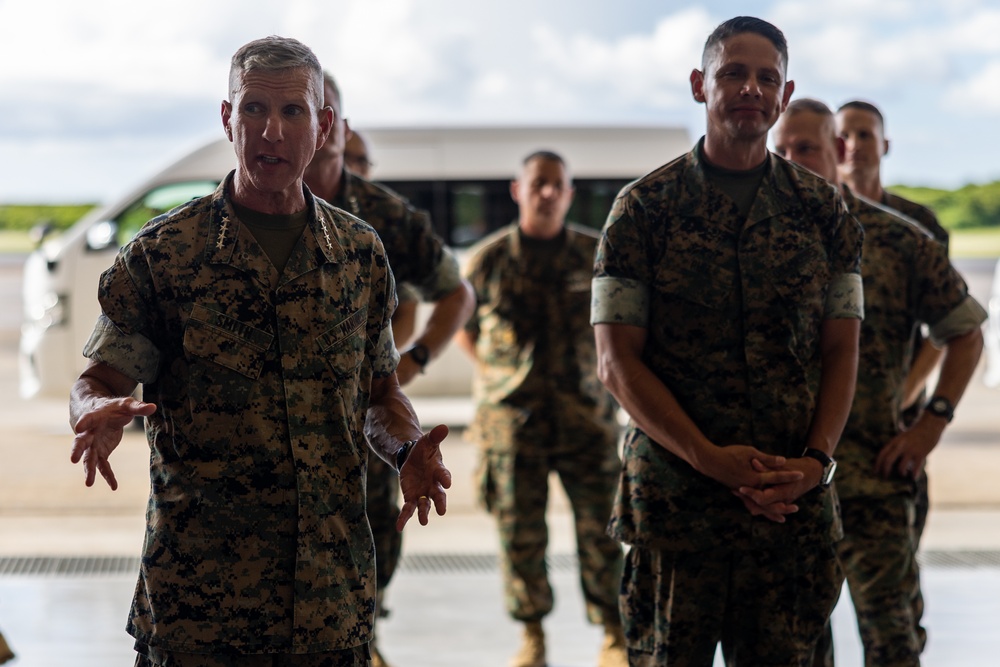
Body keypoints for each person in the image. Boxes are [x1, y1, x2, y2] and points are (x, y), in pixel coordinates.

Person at [68, 36, 452, 667]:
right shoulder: (165, 254)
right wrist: (94, 409)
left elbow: (381, 393)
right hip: (200, 609)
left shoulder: (359, 254)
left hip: (329, 605)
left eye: (293, 112)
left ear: (323, 125)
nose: (271, 130)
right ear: (227, 119)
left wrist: (406, 449)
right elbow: (98, 378)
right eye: (252, 110)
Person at [592, 17, 865, 666]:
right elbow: (616, 361)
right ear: (699, 86)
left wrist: (816, 461)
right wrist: (707, 456)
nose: (750, 88)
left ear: (784, 92)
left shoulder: (825, 212)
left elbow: (841, 350)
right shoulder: (642, 210)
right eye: (732, 73)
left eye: (766, 77)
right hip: (676, 509)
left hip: (788, 515)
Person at [774, 98, 987, 666]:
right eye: (782, 151)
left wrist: (928, 424)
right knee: (792, 648)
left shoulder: (900, 239)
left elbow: (965, 333)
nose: (792, 162)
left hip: (873, 478)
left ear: (838, 151)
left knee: (892, 642)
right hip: (784, 493)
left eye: (807, 149)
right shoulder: (755, 243)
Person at [302, 72, 474, 667]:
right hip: (271, 438)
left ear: (337, 126)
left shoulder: (381, 218)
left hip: (365, 430)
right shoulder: (242, 211)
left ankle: (363, 641)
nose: (302, 126)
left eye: (318, 112)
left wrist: (413, 362)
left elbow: (457, 295)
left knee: (372, 552)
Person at [456, 150, 627, 667]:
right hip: (513, 427)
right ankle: (532, 636)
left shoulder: (595, 254)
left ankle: (613, 633)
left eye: (558, 184)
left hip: (586, 422)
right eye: (538, 183)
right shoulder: (487, 260)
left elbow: (620, 330)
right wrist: (503, 376)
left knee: (602, 534)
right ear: (518, 190)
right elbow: (465, 332)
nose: (548, 193)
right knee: (520, 538)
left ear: (570, 193)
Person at [341, 126, 422, 349]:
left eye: (362, 161)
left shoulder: (381, 225)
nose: (353, 169)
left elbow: (407, 305)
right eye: (345, 157)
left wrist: (380, 368)